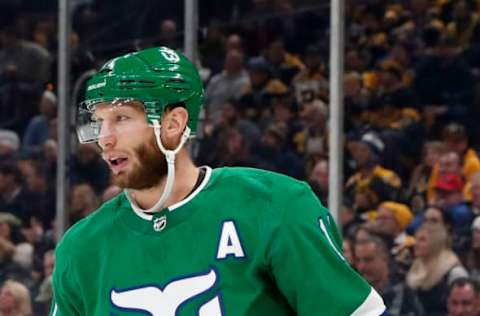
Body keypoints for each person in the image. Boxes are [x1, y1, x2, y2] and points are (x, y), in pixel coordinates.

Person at [50, 47, 385, 315]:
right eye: (98, 122)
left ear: (173, 123)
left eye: (121, 118)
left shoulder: (273, 206)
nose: (104, 139)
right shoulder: (81, 248)